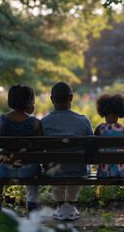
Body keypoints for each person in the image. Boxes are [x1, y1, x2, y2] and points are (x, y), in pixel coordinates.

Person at [41, 82, 93, 221]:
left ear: (52, 99)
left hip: (54, 171)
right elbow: (92, 148)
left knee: (55, 166)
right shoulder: (83, 120)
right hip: (77, 170)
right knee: (77, 165)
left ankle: (60, 205)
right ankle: (70, 204)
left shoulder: (44, 122)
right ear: (71, 98)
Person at [0, 85, 42, 216]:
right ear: (29, 103)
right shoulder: (36, 123)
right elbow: (40, 150)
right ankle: (32, 206)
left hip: (4, 171)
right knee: (33, 163)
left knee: (0, 167)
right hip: (28, 171)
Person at [94, 92, 124, 177]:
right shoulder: (123, 130)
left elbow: (95, 145)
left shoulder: (99, 129)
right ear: (119, 114)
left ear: (104, 114)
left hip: (103, 172)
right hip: (120, 172)